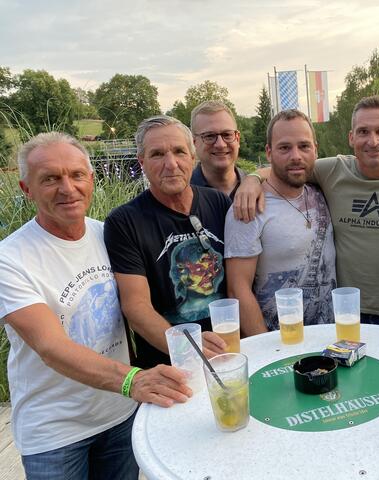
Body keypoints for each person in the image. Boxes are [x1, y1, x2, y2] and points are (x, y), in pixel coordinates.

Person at [0, 132, 191, 479]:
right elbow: (51, 347)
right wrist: (133, 380)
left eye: (76, 175)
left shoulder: (108, 234)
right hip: (55, 432)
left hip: (119, 415)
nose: (67, 188)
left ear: (90, 179)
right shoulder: (10, 259)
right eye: (50, 179)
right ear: (27, 189)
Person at [235, 96, 379, 329]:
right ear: (351, 137)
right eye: (363, 132)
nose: (373, 141)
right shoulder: (333, 170)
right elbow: (288, 167)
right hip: (347, 314)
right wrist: (252, 179)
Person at [104, 116, 229, 369]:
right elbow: (136, 307)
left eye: (179, 152)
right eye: (157, 154)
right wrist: (189, 349)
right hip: (168, 368)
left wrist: (255, 178)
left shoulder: (218, 203)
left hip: (229, 351)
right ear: (142, 162)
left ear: (192, 157)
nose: (171, 164)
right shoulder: (124, 222)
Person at [224, 110, 336, 335]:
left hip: (330, 339)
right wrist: (268, 349)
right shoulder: (249, 208)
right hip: (280, 342)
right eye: (284, 148)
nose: (296, 156)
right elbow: (238, 290)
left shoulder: (321, 191)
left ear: (315, 149)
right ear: (269, 152)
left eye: (304, 146)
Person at [190, 101, 246, 199]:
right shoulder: (182, 193)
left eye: (227, 134)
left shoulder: (261, 188)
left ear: (237, 139)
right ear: (194, 143)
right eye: (209, 136)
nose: (220, 145)